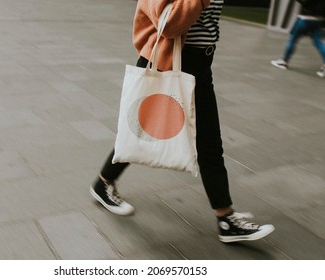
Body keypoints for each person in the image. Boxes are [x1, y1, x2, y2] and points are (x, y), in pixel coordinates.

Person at [90, 0, 275, 243]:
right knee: (141, 133)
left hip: (200, 63)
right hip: (166, 61)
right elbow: (169, 23)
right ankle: (103, 184)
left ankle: (225, 217)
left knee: (208, 141)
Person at [271, 0, 325, 77]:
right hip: (317, 19)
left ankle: (283, 62)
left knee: (293, 39)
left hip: (304, 18)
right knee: (318, 43)